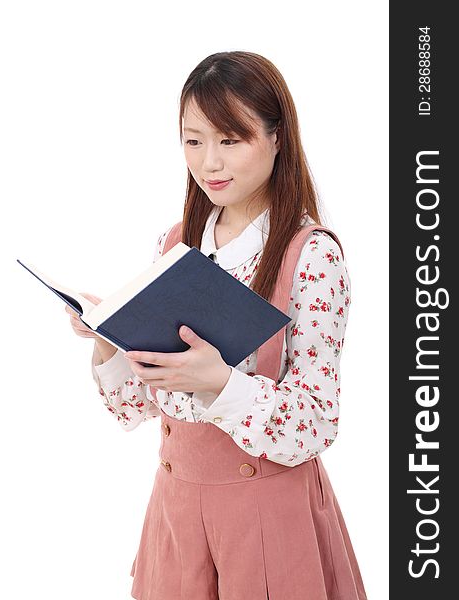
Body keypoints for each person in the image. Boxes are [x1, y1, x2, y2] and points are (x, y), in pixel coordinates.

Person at [66, 51, 368, 600]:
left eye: (231, 140)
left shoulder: (311, 255)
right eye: (193, 140)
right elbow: (137, 409)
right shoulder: (176, 241)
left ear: (277, 137)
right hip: (176, 514)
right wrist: (109, 341)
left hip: (268, 519)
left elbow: (316, 424)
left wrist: (221, 384)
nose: (209, 163)